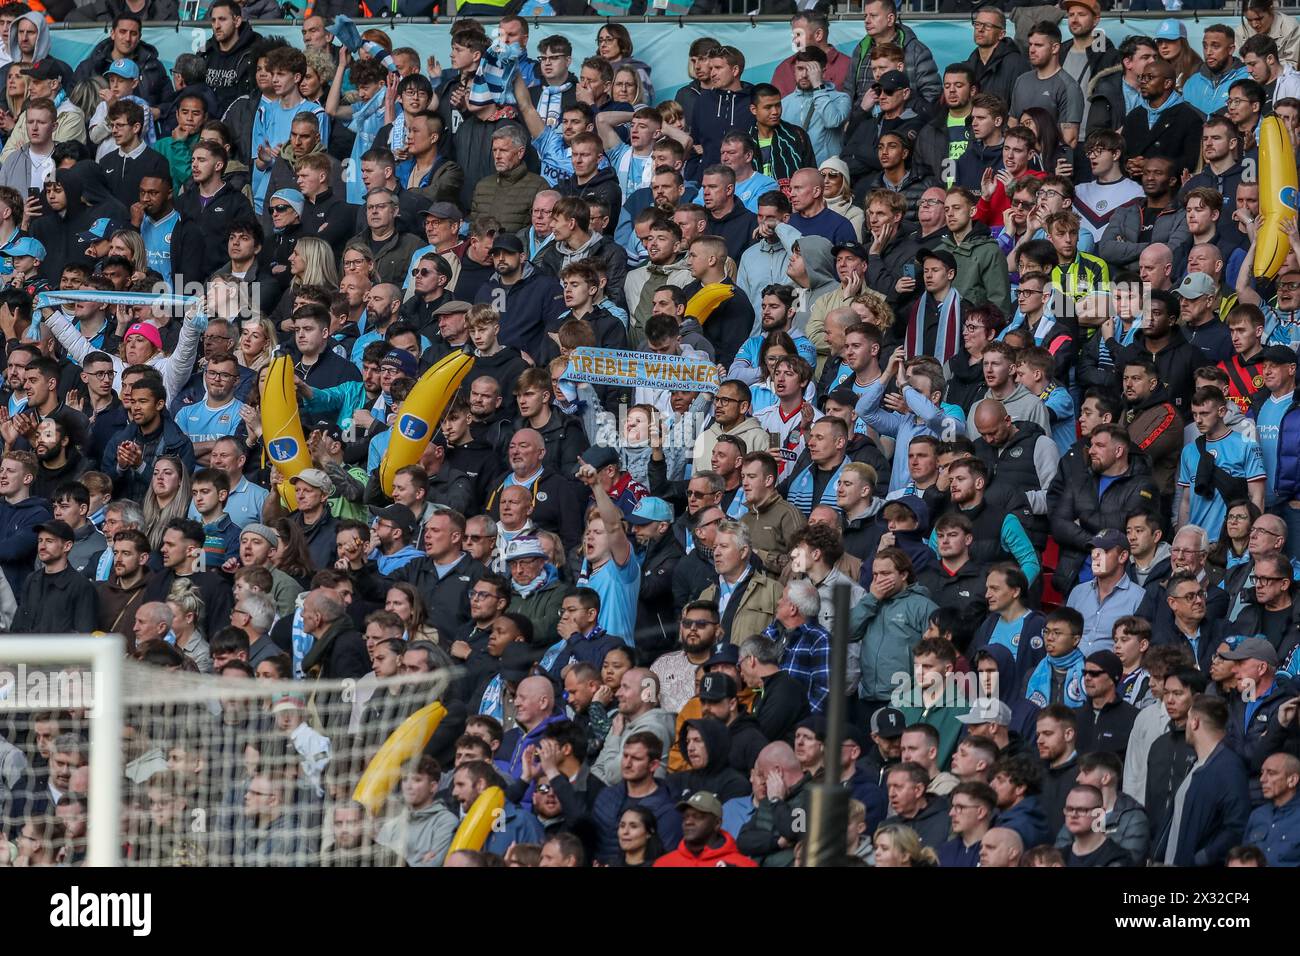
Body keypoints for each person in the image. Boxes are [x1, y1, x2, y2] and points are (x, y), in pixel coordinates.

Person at [1155, 694, 1252, 866]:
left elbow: (1237, 825)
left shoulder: (1228, 767)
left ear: (1195, 722)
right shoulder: (1198, 764)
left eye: (1188, 720)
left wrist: (1202, 858)